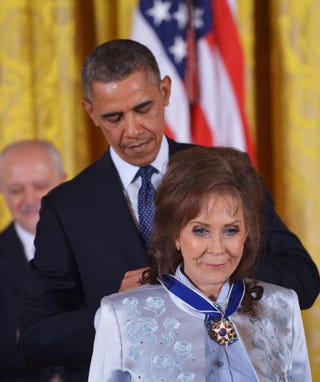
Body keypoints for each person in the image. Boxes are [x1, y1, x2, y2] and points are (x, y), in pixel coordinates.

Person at [18, 39, 319, 381]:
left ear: (165, 91)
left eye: (143, 108)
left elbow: (303, 280)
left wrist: (212, 271)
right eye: (113, 117)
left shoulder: (224, 173)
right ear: (90, 112)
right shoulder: (65, 207)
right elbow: (33, 338)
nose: (131, 130)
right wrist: (115, 312)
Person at [88, 146, 312, 381]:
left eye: (231, 230)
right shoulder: (121, 315)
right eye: (201, 230)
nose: (216, 248)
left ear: (247, 233)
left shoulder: (282, 306)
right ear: (175, 234)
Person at [0, 140, 66, 381]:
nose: (30, 199)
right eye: (16, 190)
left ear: (63, 181)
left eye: (40, 186)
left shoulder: (99, 242)